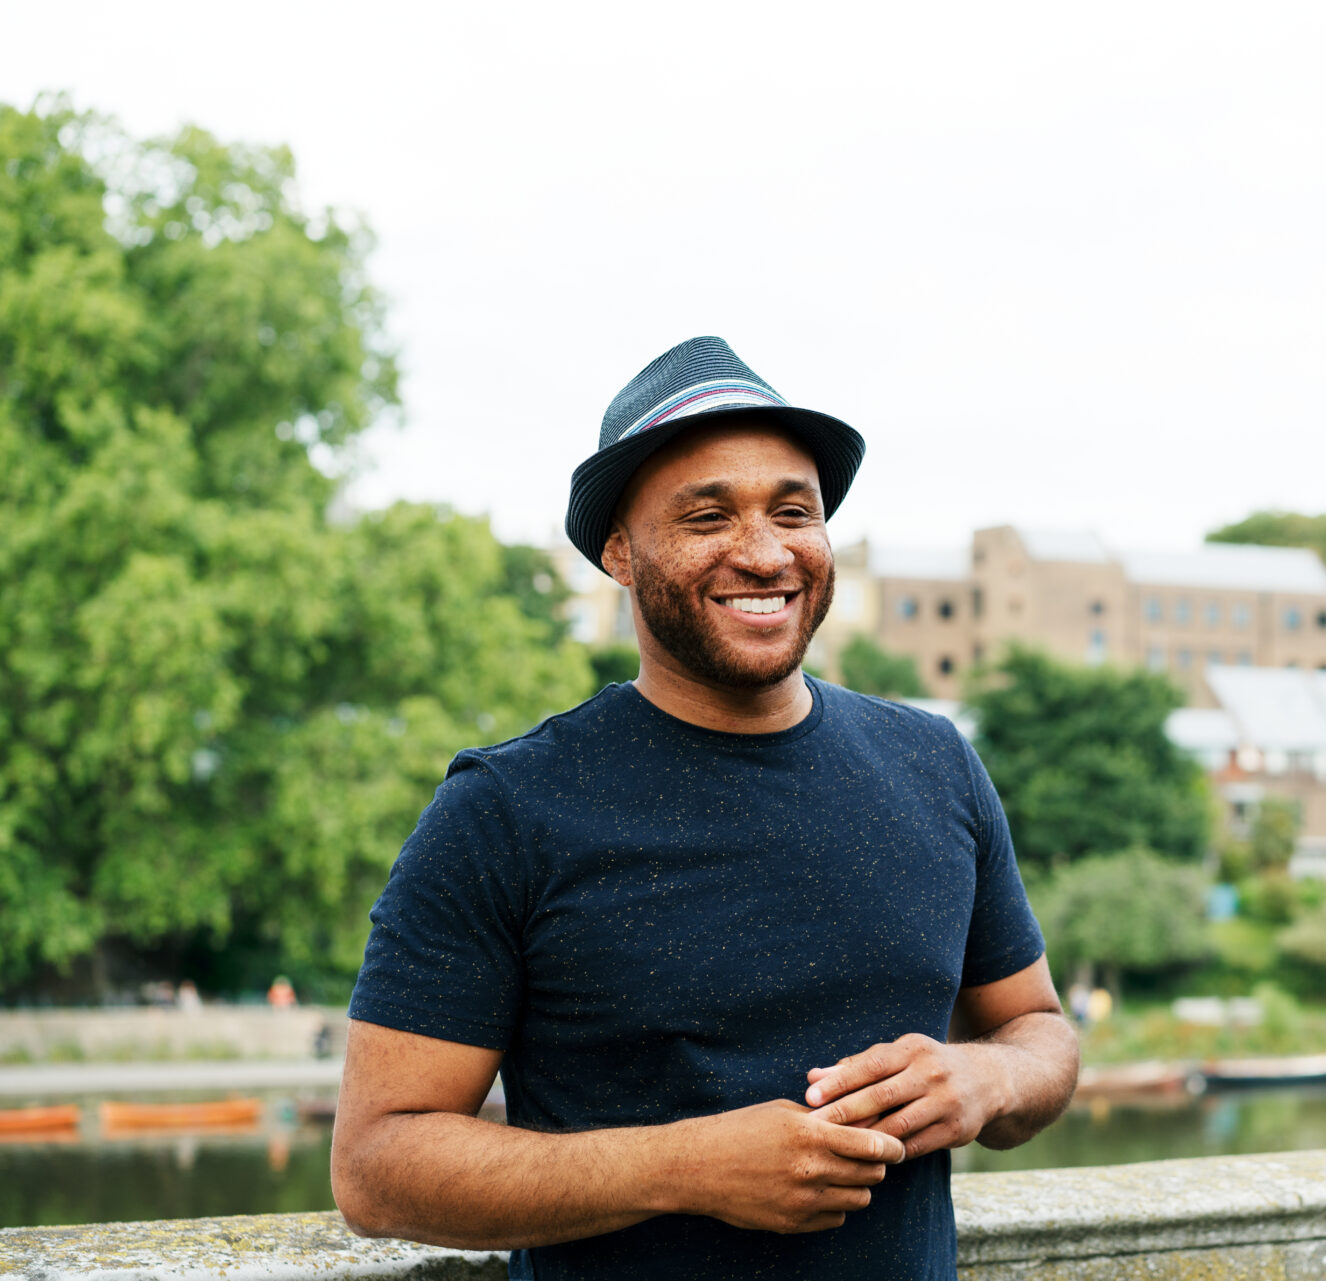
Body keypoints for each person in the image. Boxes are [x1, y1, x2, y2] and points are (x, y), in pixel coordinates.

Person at [329, 337, 1079, 1280]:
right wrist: (686, 1169)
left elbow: (1040, 1029)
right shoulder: (505, 810)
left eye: (792, 511)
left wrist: (985, 1077)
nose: (763, 553)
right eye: (706, 516)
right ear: (619, 554)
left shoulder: (935, 766)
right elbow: (375, 1167)